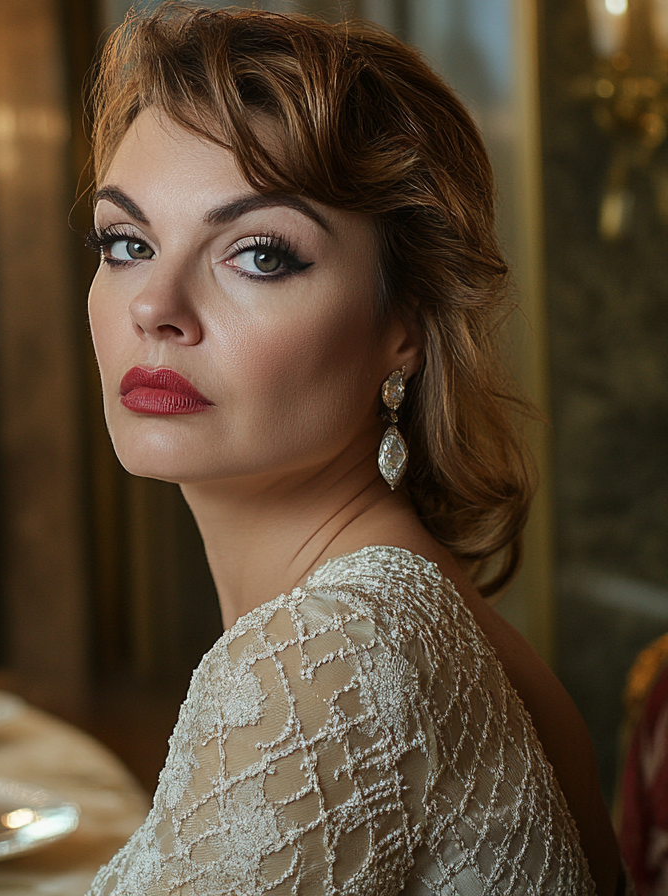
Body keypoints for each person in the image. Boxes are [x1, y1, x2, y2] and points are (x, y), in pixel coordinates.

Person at [83, 5, 621, 895]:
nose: (155, 307)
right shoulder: (401, 611)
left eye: (258, 255)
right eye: (127, 242)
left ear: (405, 325)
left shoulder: (336, 648)